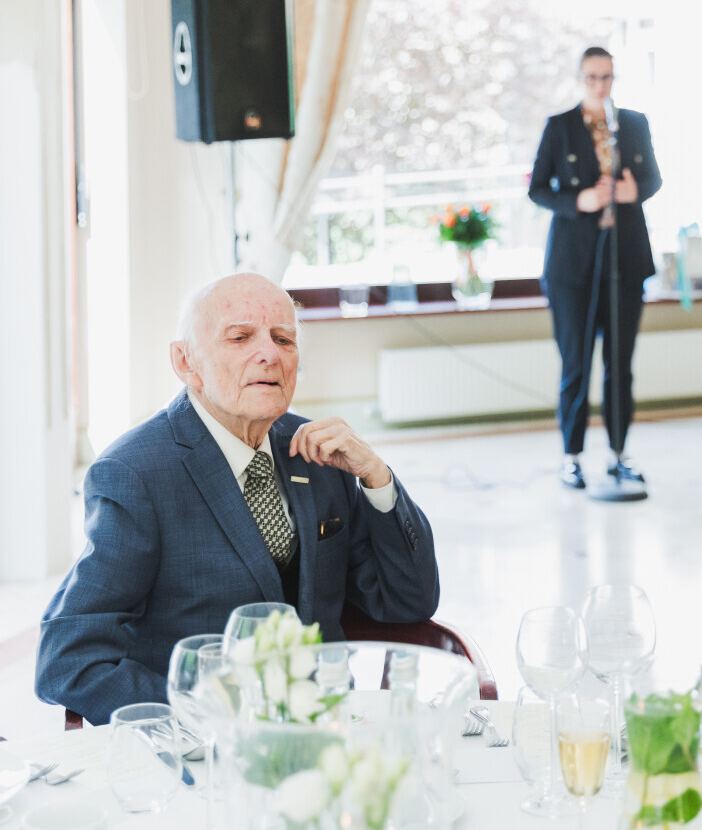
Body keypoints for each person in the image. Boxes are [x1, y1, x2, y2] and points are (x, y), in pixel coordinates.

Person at [36, 273, 440, 725]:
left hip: (327, 728)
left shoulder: (320, 454)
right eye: (240, 337)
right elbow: (67, 660)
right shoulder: (135, 474)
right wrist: (211, 717)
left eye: (283, 339)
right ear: (186, 362)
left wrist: (377, 478)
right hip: (206, 745)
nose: (270, 354)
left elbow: (408, 601)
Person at [529, 46, 662, 489]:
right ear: (580, 78)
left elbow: (653, 179)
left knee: (620, 365)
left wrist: (632, 193)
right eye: (592, 77)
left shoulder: (633, 124)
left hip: (625, 261)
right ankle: (571, 457)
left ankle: (619, 454)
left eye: (607, 77)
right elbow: (537, 189)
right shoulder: (560, 126)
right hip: (572, 268)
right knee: (576, 365)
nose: (600, 85)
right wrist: (578, 201)